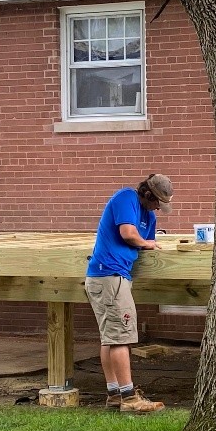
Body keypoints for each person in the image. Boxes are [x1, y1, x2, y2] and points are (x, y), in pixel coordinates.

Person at [85, 174, 173, 414]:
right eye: (156, 202)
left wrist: (149, 243)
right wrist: (147, 243)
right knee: (120, 338)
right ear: (147, 194)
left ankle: (114, 394)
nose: (157, 208)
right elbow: (128, 233)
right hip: (109, 276)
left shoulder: (150, 216)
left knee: (111, 337)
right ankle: (130, 397)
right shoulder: (126, 198)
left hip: (115, 277)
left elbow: (148, 242)